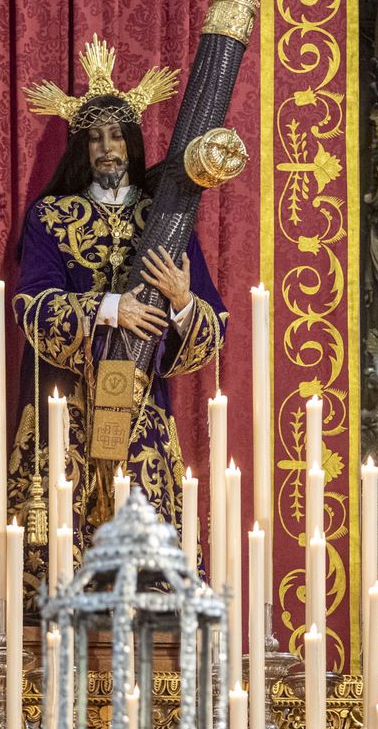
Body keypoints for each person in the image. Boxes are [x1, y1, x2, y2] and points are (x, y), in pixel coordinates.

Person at [12, 35, 226, 559]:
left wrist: (180, 301)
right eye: (95, 139)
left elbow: (214, 322)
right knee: (64, 547)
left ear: (132, 145)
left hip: (141, 404)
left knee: (144, 549)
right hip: (67, 404)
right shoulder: (51, 218)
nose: (107, 147)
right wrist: (112, 309)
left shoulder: (165, 218)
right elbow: (31, 305)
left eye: (116, 136)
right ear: (82, 151)